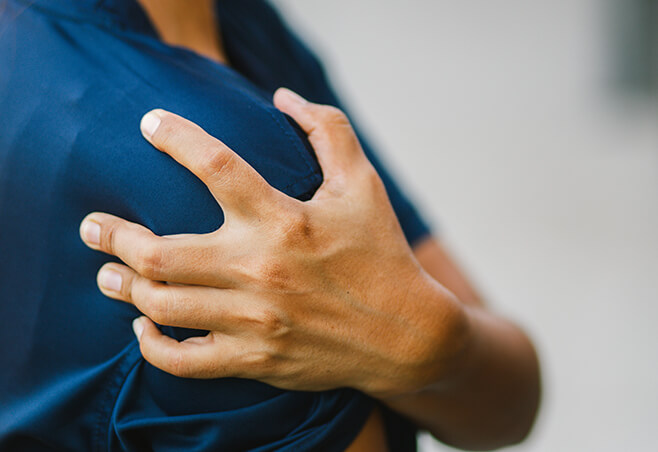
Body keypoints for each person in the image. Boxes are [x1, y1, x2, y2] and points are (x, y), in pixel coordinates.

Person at [0, 0, 539, 450]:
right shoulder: (228, 181)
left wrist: (425, 340)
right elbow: (504, 404)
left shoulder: (232, 20)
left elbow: (510, 390)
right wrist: (442, 352)